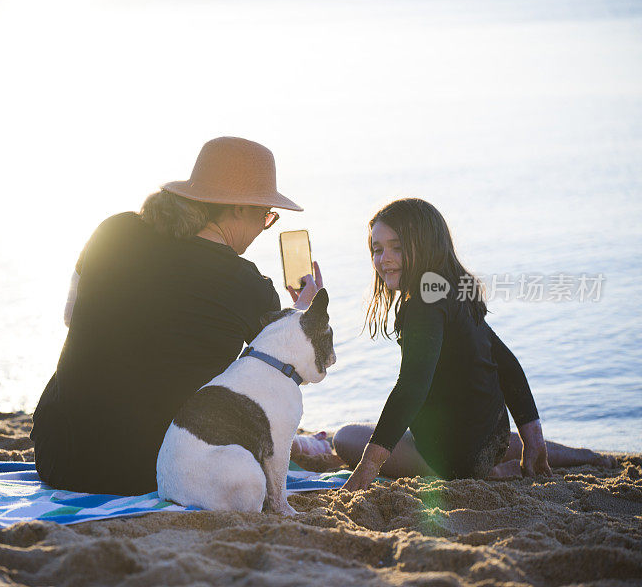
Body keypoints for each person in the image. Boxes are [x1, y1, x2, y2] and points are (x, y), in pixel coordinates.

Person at [30, 136, 323, 495]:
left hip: (57, 457)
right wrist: (303, 312)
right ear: (238, 209)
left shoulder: (115, 230)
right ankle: (311, 447)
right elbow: (289, 373)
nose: (264, 227)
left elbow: (72, 315)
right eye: (266, 216)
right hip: (160, 472)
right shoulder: (247, 284)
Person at [338, 198, 613, 491]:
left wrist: (366, 470)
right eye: (377, 249)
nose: (384, 259)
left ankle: (482, 472)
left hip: (450, 458)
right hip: (491, 438)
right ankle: (580, 456)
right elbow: (506, 363)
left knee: (345, 436)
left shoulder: (422, 302)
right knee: (441, 428)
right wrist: (533, 439)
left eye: (397, 247)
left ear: (427, 243)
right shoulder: (451, 290)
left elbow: (411, 387)